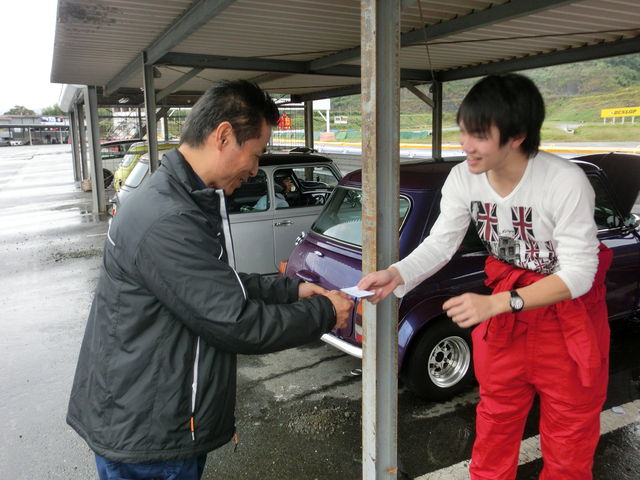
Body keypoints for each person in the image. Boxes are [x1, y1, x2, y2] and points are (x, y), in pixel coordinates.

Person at [67, 79, 354, 480]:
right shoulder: (168, 218)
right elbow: (235, 322)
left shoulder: (178, 200)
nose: (254, 169)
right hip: (149, 436)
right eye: (256, 154)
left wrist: (291, 288)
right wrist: (324, 311)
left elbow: (216, 284)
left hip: (152, 416)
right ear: (223, 136)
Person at [358, 73, 611, 480]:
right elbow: (442, 243)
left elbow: (580, 273)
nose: (465, 144)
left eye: (478, 135)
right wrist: (396, 273)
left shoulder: (564, 181)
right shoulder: (464, 178)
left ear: (517, 135)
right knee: (495, 422)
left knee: (570, 435)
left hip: (565, 316)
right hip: (506, 318)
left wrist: (498, 303)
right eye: (462, 131)